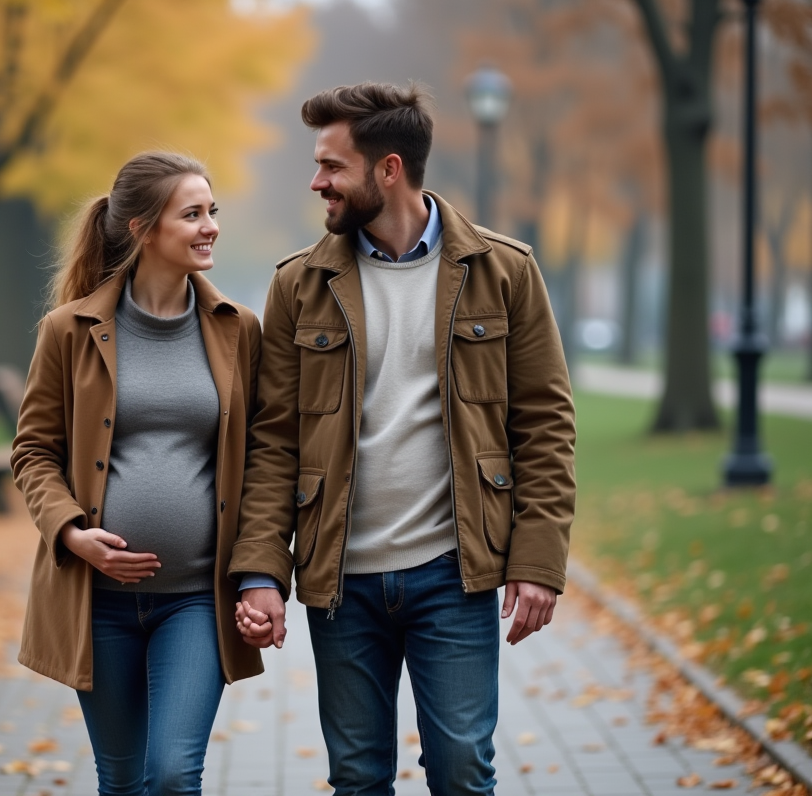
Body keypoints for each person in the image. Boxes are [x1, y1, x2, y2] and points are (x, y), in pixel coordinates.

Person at [229, 81, 576, 795]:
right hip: (339, 581)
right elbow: (274, 442)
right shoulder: (299, 284)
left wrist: (538, 559)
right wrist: (262, 571)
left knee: (459, 769)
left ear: (388, 169)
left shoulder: (505, 271)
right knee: (357, 777)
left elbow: (544, 422)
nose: (317, 181)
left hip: (454, 573)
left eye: (332, 166)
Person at [10, 151, 264, 796]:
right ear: (142, 229)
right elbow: (33, 451)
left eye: (212, 212)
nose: (209, 227)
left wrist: (262, 571)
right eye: (192, 214)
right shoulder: (68, 331)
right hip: (98, 604)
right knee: (122, 782)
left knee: (175, 776)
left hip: (195, 600)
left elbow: (263, 457)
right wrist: (71, 535)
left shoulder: (238, 330)